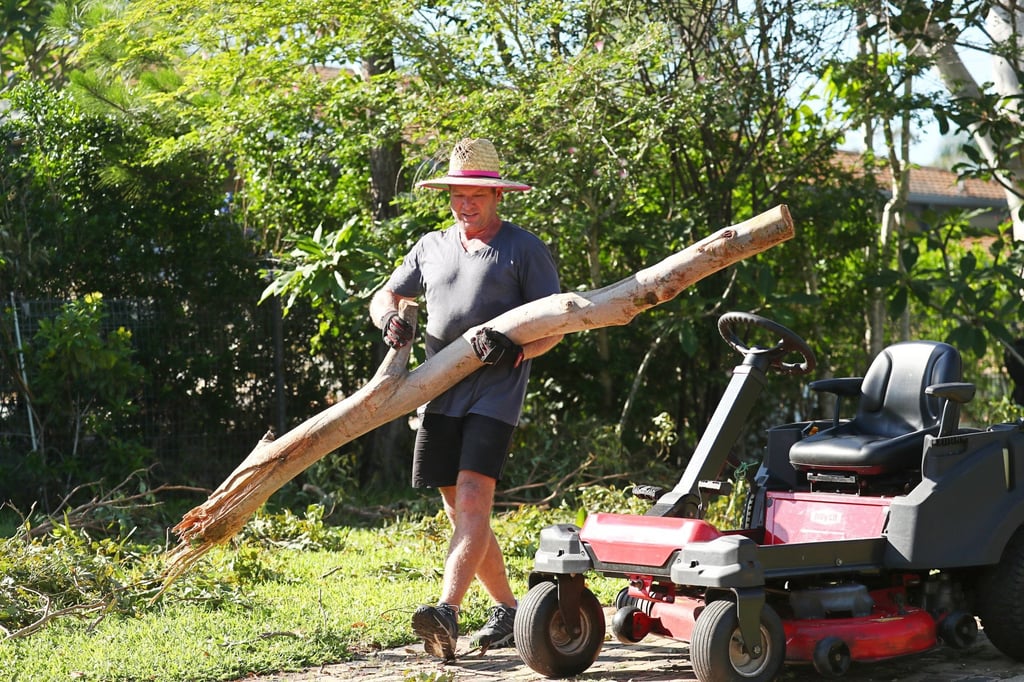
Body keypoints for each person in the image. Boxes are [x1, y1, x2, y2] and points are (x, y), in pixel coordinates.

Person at [368, 138, 562, 660]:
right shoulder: (430, 245)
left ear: (497, 196)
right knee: (461, 514)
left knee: (475, 502)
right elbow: (387, 294)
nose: (466, 203)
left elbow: (557, 325)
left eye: (476, 193)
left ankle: (446, 612)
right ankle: (510, 612)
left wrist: (518, 346)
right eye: (457, 193)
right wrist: (389, 317)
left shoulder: (523, 248)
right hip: (436, 394)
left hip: (494, 395)